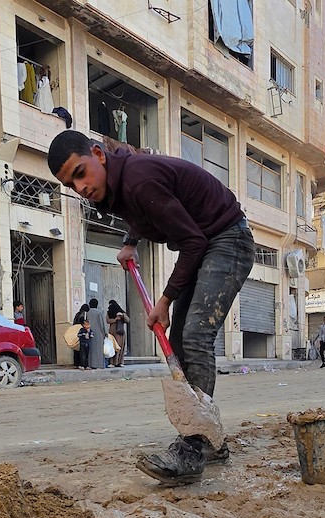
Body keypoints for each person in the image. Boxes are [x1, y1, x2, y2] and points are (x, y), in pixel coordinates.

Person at [48, 129, 254, 485]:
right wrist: (130, 241)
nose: (79, 187)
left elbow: (191, 241)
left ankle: (194, 445)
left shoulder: (138, 180)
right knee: (179, 342)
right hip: (207, 243)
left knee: (195, 337)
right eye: (70, 184)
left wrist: (164, 301)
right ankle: (212, 440)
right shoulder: (115, 186)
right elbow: (140, 214)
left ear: (97, 154)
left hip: (228, 239)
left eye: (79, 173)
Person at [107, 299, 129, 367]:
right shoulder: (109, 313)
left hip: (120, 332)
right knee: (113, 347)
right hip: (113, 332)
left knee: (120, 347)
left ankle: (120, 362)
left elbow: (128, 320)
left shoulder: (121, 312)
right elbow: (108, 320)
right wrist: (115, 319)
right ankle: (112, 362)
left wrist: (122, 316)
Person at [87, 298, 109, 369]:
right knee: (99, 350)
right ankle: (99, 364)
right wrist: (104, 333)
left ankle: (91, 364)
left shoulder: (88, 313)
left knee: (91, 350)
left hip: (90, 332)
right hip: (99, 333)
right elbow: (101, 324)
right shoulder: (99, 313)